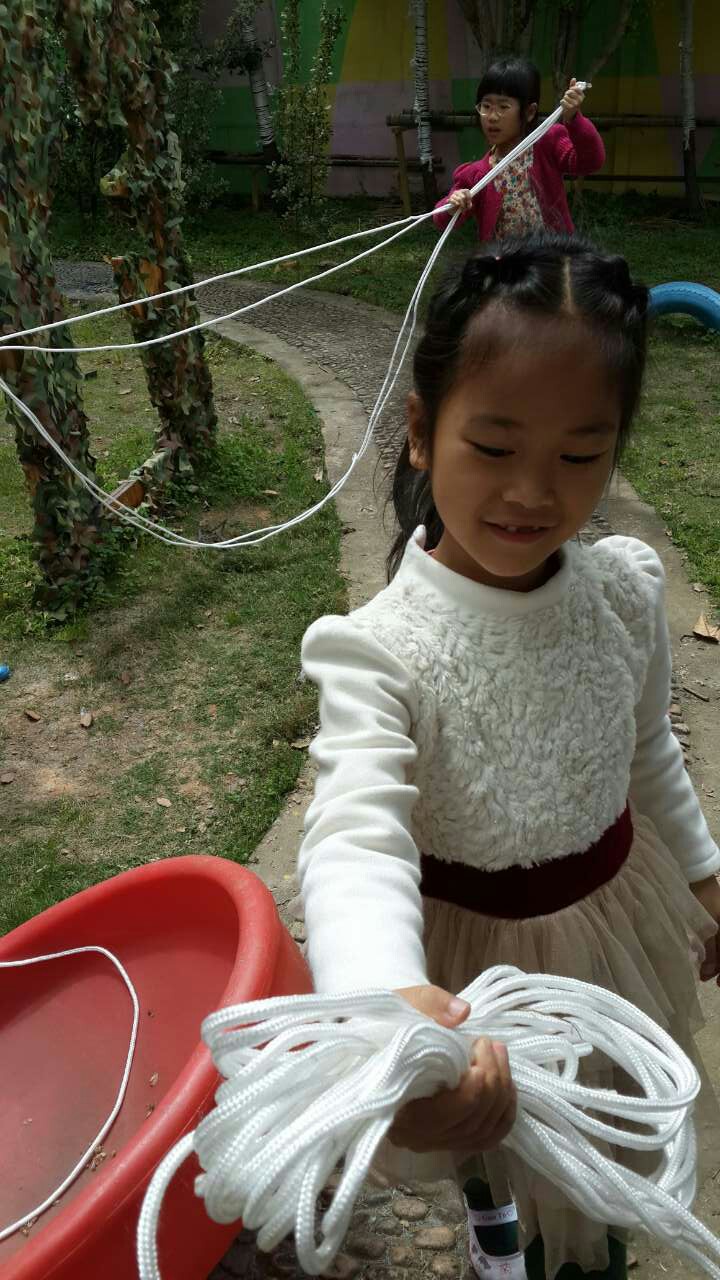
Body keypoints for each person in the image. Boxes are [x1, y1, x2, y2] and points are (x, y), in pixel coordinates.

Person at [296, 233, 720, 1280]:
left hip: (615, 941)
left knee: (604, 1150)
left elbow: (647, 751)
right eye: (493, 446)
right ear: (419, 432)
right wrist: (390, 1004)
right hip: (476, 987)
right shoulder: (378, 652)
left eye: (579, 456)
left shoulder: (625, 591)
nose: (534, 491)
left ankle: (594, 1251)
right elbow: (354, 838)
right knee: (500, 1169)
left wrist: (705, 871)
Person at [433, 56, 605, 243]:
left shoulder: (548, 144)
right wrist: (453, 204)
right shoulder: (476, 175)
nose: (492, 117)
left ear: (529, 112)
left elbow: (591, 161)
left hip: (553, 254)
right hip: (504, 259)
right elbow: (440, 219)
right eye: (486, 106)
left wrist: (574, 119)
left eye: (503, 106)